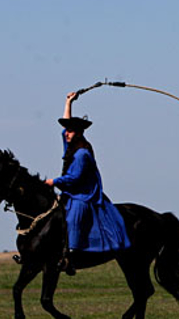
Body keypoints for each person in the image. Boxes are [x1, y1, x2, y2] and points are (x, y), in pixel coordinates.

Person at [45, 92, 130, 274]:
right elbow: (64, 124)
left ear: (78, 133)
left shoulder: (82, 153)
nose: (66, 134)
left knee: (74, 214)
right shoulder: (71, 146)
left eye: (70, 131)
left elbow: (73, 178)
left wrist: (53, 181)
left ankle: (72, 255)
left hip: (83, 194)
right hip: (71, 192)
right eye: (67, 131)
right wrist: (68, 101)